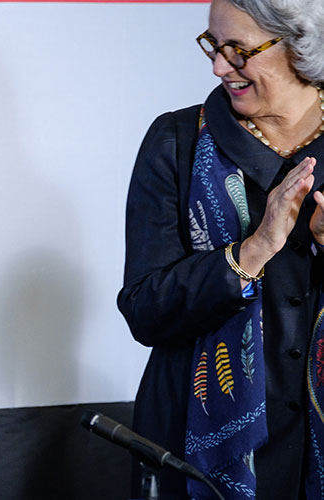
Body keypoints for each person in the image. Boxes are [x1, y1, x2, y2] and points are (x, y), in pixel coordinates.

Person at [118, 0, 324, 498]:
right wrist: (251, 253)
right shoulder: (176, 141)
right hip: (193, 443)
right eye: (213, 46)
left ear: (301, 46)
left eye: (238, 50)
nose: (217, 67)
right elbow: (145, 310)